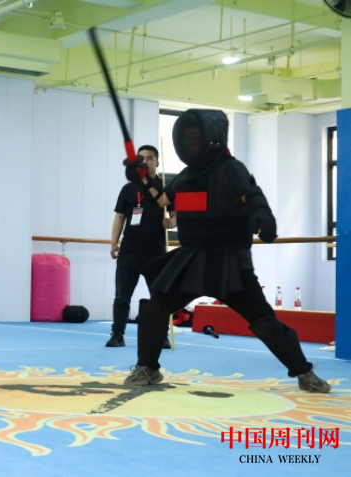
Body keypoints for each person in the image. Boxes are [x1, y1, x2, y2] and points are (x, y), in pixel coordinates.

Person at [121, 108, 331, 393]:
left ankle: (304, 372)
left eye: (195, 138)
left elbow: (253, 196)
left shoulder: (231, 169)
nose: (190, 143)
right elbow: (160, 201)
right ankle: (147, 368)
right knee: (154, 307)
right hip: (192, 259)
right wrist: (142, 178)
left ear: (211, 138)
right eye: (186, 138)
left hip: (229, 262)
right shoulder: (186, 176)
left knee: (263, 321)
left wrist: (263, 217)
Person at [107, 145, 175, 348]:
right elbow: (119, 217)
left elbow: (175, 216)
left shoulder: (165, 188)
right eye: (141, 158)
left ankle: (161, 336)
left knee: (159, 297)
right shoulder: (128, 189)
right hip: (129, 251)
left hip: (156, 253)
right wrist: (114, 243)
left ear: (157, 162)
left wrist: (171, 223)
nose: (145, 162)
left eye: (149, 158)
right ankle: (117, 334)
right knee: (122, 296)